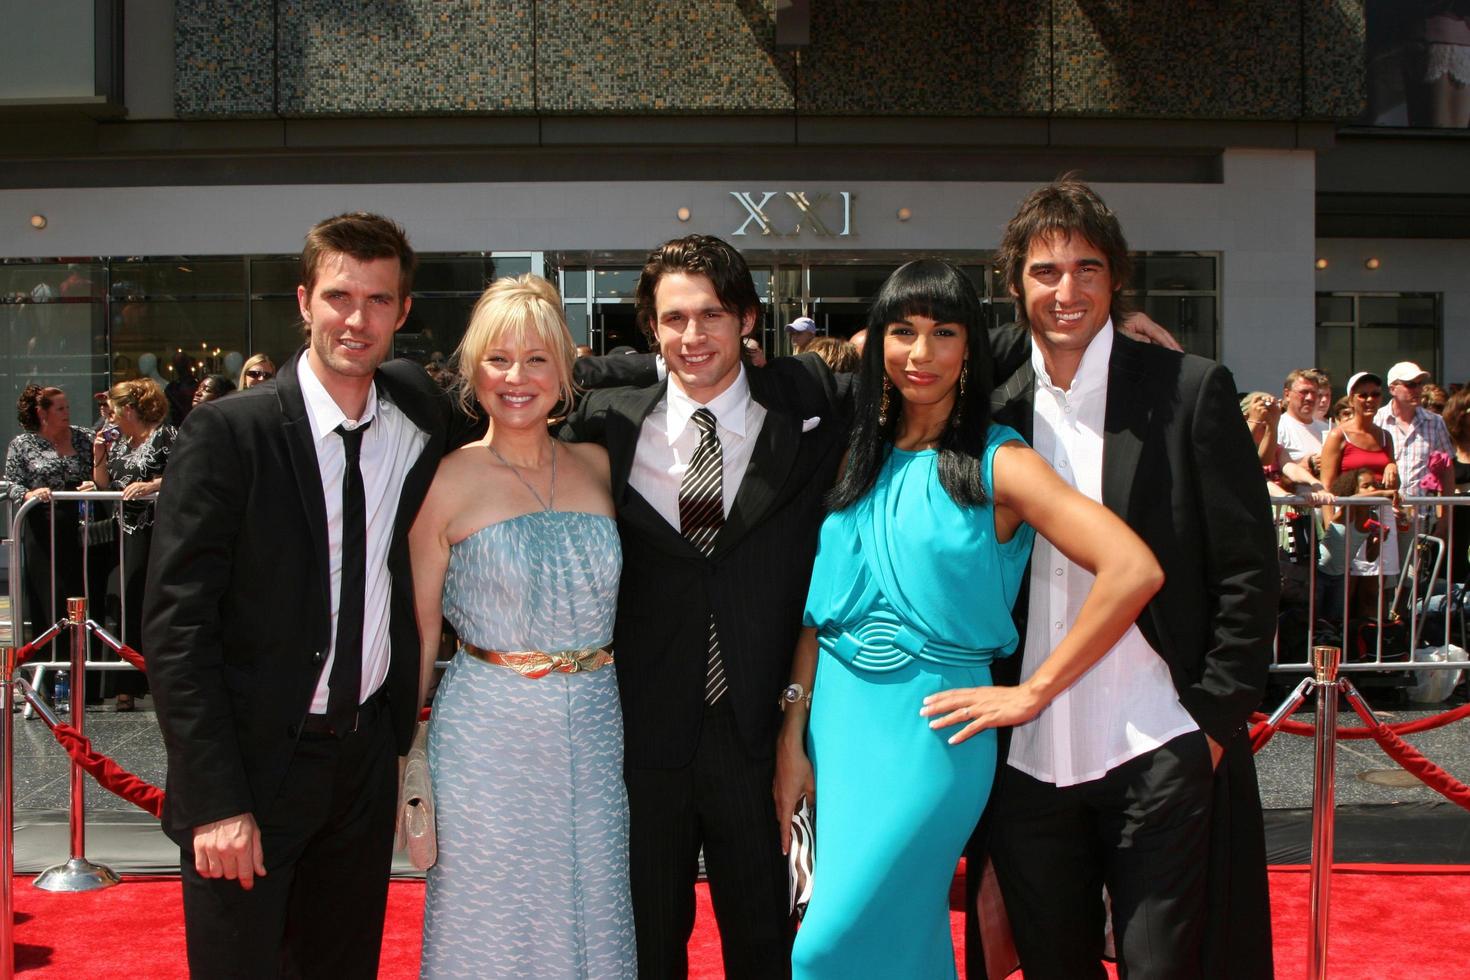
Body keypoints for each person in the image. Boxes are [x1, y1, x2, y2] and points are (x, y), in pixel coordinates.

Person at [774, 260, 1162, 978]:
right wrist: (792, 733)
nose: (921, 354)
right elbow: (816, 612)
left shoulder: (998, 462)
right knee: (909, 936)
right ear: (877, 344)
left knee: (824, 947)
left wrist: (1032, 692)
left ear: (971, 348)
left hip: (934, 735)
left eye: (943, 332)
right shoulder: (852, 459)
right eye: (903, 332)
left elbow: (1133, 567)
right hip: (838, 727)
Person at [967, 178, 1279, 979]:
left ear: (1116, 280)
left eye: (1088, 270)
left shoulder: (1187, 389)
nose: (1066, 291)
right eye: (1045, 272)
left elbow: (1249, 569)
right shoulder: (985, 403)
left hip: (1158, 742)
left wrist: (1208, 725)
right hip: (1028, 757)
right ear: (1013, 285)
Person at [143, 212, 468, 978]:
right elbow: (177, 628)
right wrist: (216, 799)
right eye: (338, 296)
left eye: (378, 300)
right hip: (252, 770)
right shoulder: (229, 434)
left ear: (404, 311)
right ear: (303, 300)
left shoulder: (419, 415)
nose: (356, 319)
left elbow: (528, 401)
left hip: (359, 770)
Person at [561, 235, 852, 979]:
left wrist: (1125, 333)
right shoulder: (605, 423)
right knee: (647, 948)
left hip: (758, 736)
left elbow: (935, 354)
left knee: (766, 947)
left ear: (749, 319)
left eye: (713, 315)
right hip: (641, 736)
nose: (694, 337)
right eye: (674, 319)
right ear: (652, 329)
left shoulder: (809, 406)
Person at [410, 275, 634, 978]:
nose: (517, 377)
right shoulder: (445, 480)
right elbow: (419, 636)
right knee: (493, 913)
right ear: (473, 371)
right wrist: (404, 752)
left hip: (598, 725)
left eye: (537, 359)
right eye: (499, 359)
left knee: (595, 901)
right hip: (486, 737)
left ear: (566, 372)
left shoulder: (601, 466)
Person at [87, 378, 175, 711]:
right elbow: (104, 485)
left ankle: (147, 682)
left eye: (112, 409)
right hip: (121, 531)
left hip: (155, 531)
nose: (108, 417)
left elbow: (184, 473)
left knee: (146, 602)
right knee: (121, 603)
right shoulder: (120, 441)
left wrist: (151, 485)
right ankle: (125, 683)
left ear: (128, 409)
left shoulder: (165, 435)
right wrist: (98, 455)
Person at [4, 384, 92, 641]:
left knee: (80, 593)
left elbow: (102, 469)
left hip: (81, 525)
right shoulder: (22, 444)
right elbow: (11, 483)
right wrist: (28, 494)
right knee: (48, 594)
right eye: (60, 408)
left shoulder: (83, 437)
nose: (67, 413)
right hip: (43, 526)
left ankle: (83, 666)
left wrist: (95, 483)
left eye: (68, 407)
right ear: (42, 413)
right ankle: (49, 667)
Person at [1374, 361, 1454, 500]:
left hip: (1422, 514)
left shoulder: (1435, 422)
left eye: (1419, 384)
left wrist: (1445, 516)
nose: (1418, 390)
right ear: (1393, 389)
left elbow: (1446, 470)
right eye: (1410, 385)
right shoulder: (1377, 420)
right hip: (1385, 512)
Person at [1277, 368, 1329, 470]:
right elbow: (1271, 474)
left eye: (1314, 393)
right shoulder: (1278, 427)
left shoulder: (1326, 429)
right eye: (1304, 392)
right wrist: (1306, 465)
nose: (1310, 398)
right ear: (1287, 394)